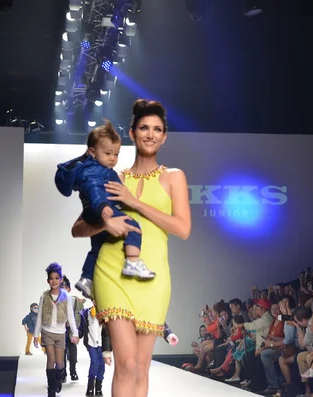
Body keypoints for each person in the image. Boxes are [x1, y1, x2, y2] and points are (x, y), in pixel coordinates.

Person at [71, 99, 191, 397]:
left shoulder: (174, 177)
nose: (150, 134)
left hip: (153, 276)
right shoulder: (112, 175)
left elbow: (182, 228)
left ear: (164, 136)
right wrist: (104, 224)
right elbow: (77, 228)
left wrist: (134, 202)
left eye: (157, 129)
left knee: (140, 366)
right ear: (132, 132)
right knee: (125, 362)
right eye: (144, 128)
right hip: (112, 271)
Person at [55, 120, 156, 299]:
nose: (112, 158)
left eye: (116, 154)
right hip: (101, 211)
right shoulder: (95, 171)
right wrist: (104, 212)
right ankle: (132, 262)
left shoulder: (102, 170)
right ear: (92, 152)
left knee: (97, 248)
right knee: (132, 227)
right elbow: (95, 190)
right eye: (108, 153)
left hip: (98, 213)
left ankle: (86, 279)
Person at [33, 263, 80, 397]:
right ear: (48, 280)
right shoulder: (44, 296)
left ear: (60, 280)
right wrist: (36, 334)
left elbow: (70, 315)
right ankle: (51, 389)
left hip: (60, 334)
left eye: (56, 278)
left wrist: (75, 333)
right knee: (51, 359)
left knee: (60, 364)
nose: (54, 281)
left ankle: (58, 378)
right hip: (47, 332)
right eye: (51, 278)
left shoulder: (66, 296)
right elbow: (40, 315)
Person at [61, 275, 85, 382]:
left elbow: (80, 317)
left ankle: (73, 371)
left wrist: (78, 333)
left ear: (69, 289)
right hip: (60, 332)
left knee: (73, 354)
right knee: (61, 354)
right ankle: (63, 373)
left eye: (65, 287)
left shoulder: (75, 301)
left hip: (72, 331)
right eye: (61, 288)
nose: (63, 290)